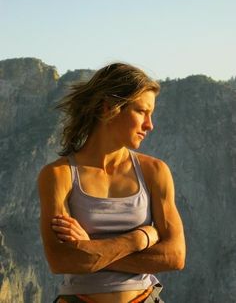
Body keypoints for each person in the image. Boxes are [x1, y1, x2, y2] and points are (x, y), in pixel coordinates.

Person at [38, 62, 186, 303]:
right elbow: (61, 260)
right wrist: (139, 239)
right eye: (141, 112)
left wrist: (91, 250)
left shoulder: (154, 171)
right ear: (108, 108)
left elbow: (175, 256)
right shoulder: (58, 175)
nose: (150, 125)